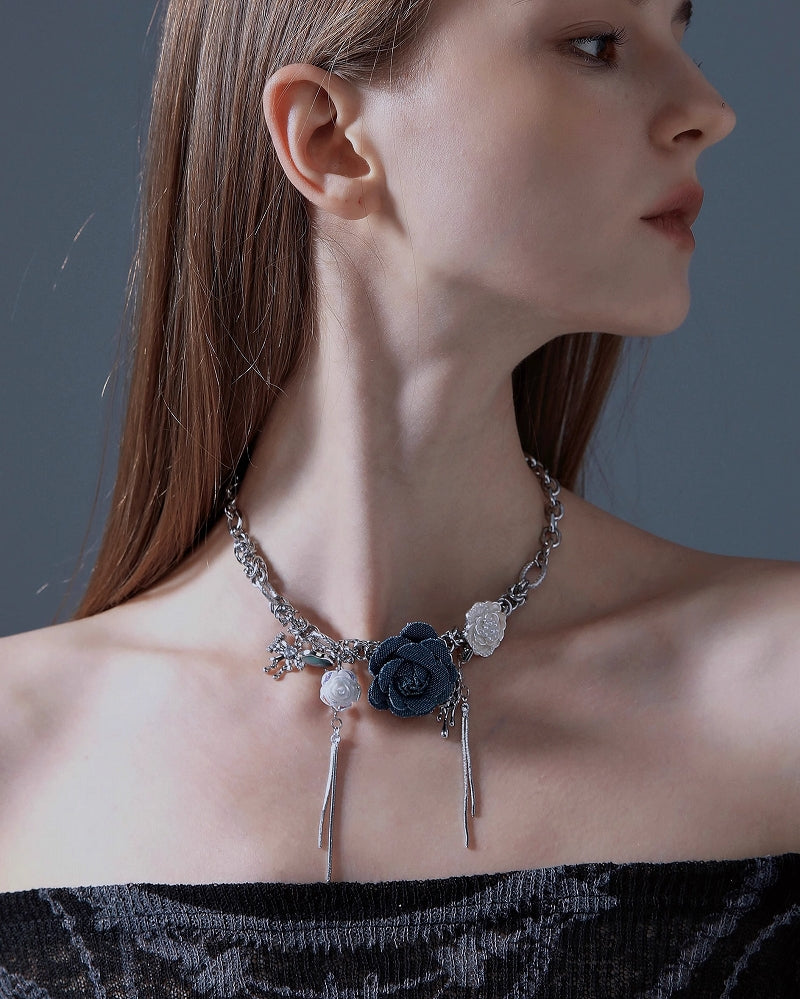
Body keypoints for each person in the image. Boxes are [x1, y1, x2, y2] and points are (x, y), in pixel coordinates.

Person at [0, 0, 798, 994]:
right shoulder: (18, 749)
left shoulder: (781, 692)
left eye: (679, 30)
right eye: (594, 43)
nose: (708, 109)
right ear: (328, 138)